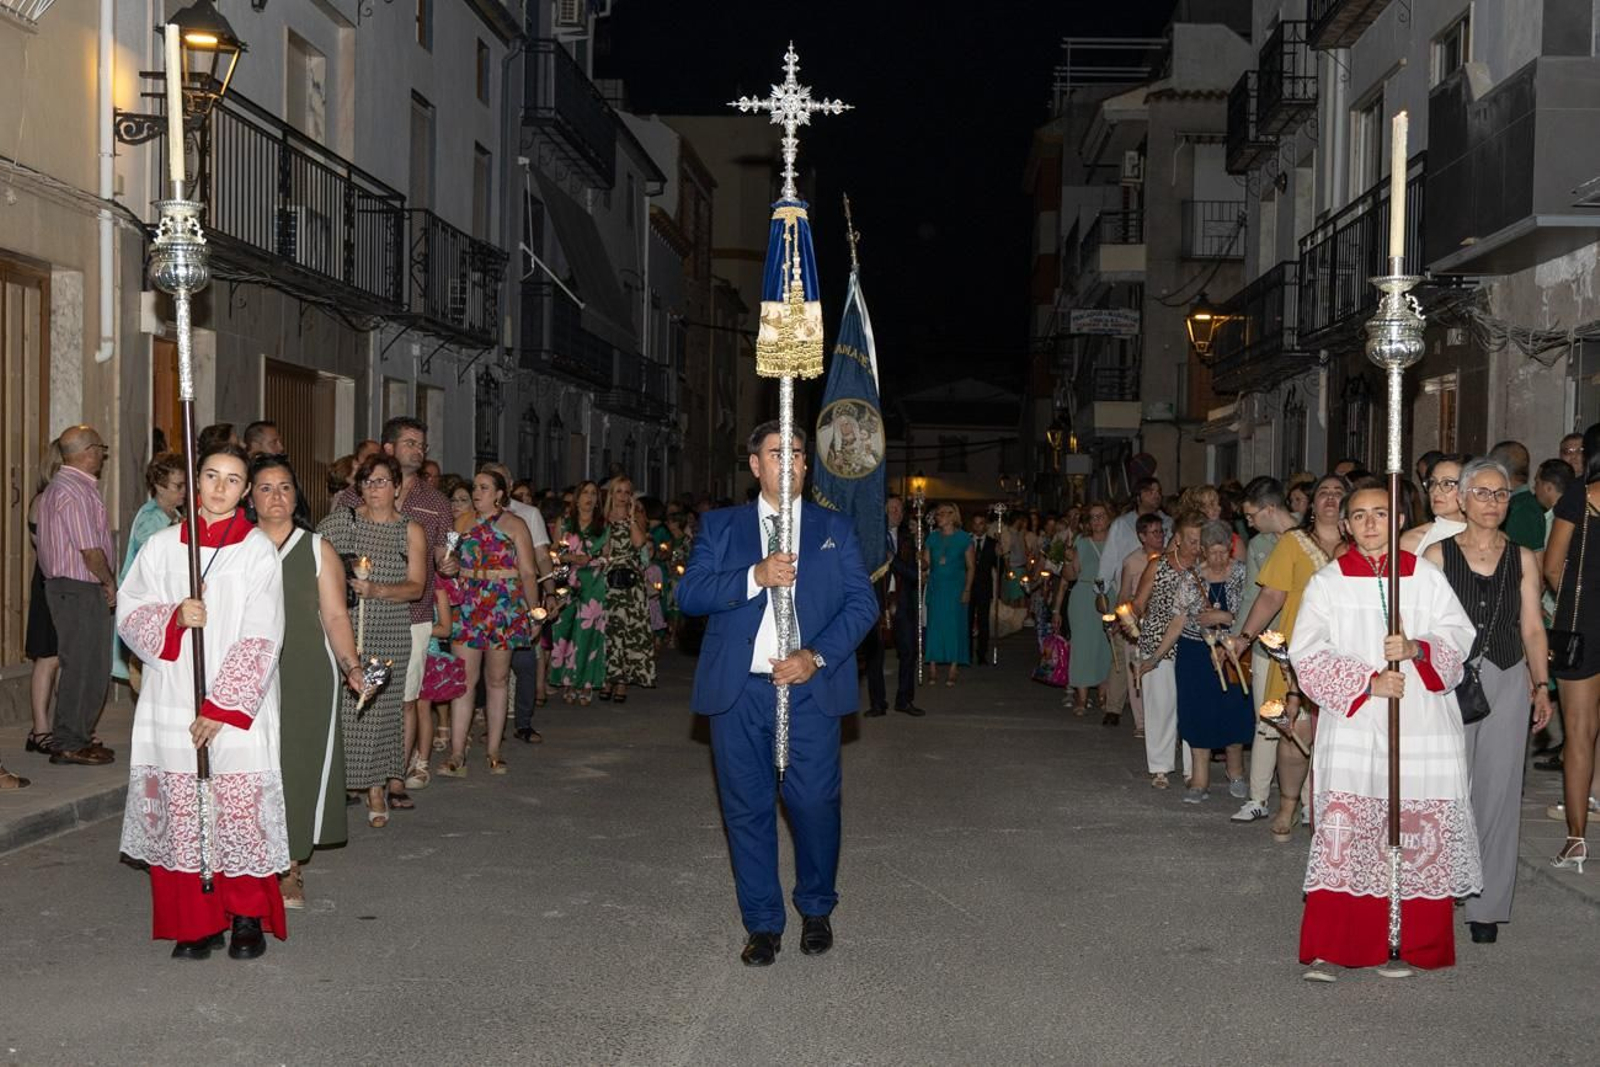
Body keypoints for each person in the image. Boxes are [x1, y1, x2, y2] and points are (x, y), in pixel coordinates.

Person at [676, 421, 878, 966]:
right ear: (755, 466)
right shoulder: (722, 527)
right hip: (739, 689)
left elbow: (863, 605)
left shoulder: (834, 528)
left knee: (813, 803)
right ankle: (763, 923)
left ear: (806, 465)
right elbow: (690, 594)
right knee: (747, 810)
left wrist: (814, 657)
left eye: (795, 452)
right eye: (775, 452)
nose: (786, 461)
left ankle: (816, 906)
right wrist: (755, 575)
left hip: (809, 688)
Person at [1290, 484, 1480, 975]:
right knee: (1351, 829)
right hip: (1357, 721)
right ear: (1347, 525)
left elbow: (1458, 636)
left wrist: (1418, 649)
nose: (1371, 523)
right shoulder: (1328, 582)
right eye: (1360, 515)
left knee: (1415, 830)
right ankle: (1342, 944)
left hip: (1420, 722)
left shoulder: (1426, 577)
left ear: (1397, 520)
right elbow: (1307, 651)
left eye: (1381, 513)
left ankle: (1412, 942)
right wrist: (1368, 682)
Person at [116, 442, 288, 960]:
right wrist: (172, 617)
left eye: (233, 480)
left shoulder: (256, 549)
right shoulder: (163, 546)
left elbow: (263, 632)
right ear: (195, 482)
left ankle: (245, 919)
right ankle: (196, 922)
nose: (219, 488)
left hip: (238, 706)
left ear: (245, 492)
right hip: (172, 695)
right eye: (211, 476)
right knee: (184, 807)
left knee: (234, 810)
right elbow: (129, 608)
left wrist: (219, 707)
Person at [1423, 458, 1553, 943]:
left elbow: (1533, 627)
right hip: (1446, 681)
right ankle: (1435, 890)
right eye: (1482, 493)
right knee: (1443, 789)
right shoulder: (1436, 556)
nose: (1492, 503)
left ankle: (1486, 907)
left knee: (1498, 793)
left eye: (1500, 494)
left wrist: (1542, 685)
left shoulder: (1523, 556)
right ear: (1461, 498)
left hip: (1504, 675)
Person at [250, 453, 362, 909]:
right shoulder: (234, 547)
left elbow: (335, 615)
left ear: (296, 494)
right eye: (265, 488)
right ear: (249, 496)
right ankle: (249, 859)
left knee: (294, 766)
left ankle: (290, 867)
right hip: (249, 671)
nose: (277, 496)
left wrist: (351, 665)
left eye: (285, 487)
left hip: (305, 672)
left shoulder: (317, 548)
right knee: (252, 768)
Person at [336, 419, 460, 790]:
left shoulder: (435, 502)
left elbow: (442, 556)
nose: (418, 449)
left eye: (422, 444)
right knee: (357, 695)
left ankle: (395, 779)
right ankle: (355, 776)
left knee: (404, 699)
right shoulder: (355, 497)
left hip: (414, 613)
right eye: (409, 442)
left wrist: (450, 564)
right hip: (362, 615)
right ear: (388, 449)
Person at [1228, 474, 1351, 841]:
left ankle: (1327, 808)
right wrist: (1244, 638)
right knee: (1293, 730)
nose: (1330, 498)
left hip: (1348, 653)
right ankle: (1287, 805)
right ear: (1310, 504)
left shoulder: (1363, 543)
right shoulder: (1293, 542)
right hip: (1299, 653)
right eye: (1323, 493)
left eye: (1338, 493)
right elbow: (1270, 597)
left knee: (1341, 736)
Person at [316, 454, 426, 824]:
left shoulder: (410, 530)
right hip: (346, 628)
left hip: (390, 630)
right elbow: (313, 562)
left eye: (381, 481)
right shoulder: (340, 523)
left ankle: (376, 786)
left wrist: (375, 589)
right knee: (344, 709)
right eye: (367, 481)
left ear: (397, 486)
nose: (374, 489)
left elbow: (416, 587)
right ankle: (339, 784)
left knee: (380, 710)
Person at [1138, 519, 1253, 804]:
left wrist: (1225, 617)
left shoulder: (1242, 573)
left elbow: (1253, 612)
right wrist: (1155, 657)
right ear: (1202, 551)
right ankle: (1199, 780)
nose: (1217, 558)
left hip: (1231, 652)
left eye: (1222, 552)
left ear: (1230, 548)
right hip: (1195, 653)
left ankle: (1236, 772)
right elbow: (1178, 621)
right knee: (1196, 713)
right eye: (1211, 552)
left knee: (1233, 709)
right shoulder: (1192, 577)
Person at [439, 468, 538, 776]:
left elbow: (527, 572)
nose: (477, 492)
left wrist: (534, 612)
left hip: (503, 606)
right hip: (469, 604)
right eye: (475, 487)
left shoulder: (515, 525)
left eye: (484, 487)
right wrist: (449, 566)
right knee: (464, 682)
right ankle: (457, 753)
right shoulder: (461, 523)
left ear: (498, 493)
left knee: (496, 680)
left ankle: (494, 750)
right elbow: (447, 562)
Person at [35, 425, 117, 766]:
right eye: (100, 448)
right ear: (87, 452)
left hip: (73, 588)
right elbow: (90, 550)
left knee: (88, 664)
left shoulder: (65, 486)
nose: (103, 455)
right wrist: (109, 582)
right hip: (79, 587)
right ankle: (69, 741)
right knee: (83, 666)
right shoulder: (74, 491)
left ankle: (78, 737)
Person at [1543, 422, 1600, 874]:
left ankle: (1576, 840)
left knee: (1579, 732)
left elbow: (1552, 566)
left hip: (1582, 625)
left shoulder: (1578, 496)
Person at [1231, 477, 1298, 823]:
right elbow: (1254, 596)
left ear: (1270, 508)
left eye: (1252, 514)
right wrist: (1241, 636)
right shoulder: (1258, 545)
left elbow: (1274, 595)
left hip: (1302, 645)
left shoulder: (1308, 537)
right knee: (1268, 720)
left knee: (1304, 724)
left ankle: (1305, 800)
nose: (1249, 522)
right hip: (1267, 646)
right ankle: (1258, 797)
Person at [1131, 510, 1205, 789]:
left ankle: (1192, 767)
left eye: (1200, 541)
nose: (1196, 547)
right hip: (1156, 637)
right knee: (1160, 704)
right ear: (1178, 539)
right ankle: (1160, 767)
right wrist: (1128, 615)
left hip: (1192, 641)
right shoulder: (1157, 565)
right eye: (1192, 540)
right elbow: (1140, 601)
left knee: (1190, 704)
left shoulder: (1203, 569)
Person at [113, 453, 186, 683]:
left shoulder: (173, 513)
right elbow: (158, 557)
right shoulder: (150, 517)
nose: (184, 490)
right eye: (178, 486)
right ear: (159, 486)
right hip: (145, 596)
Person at [549, 481, 609, 706]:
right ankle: (565, 680)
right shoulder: (564, 523)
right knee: (563, 630)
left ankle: (584, 682)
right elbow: (554, 551)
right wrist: (570, 558)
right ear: (577, 497)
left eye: (594, 494)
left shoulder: (603, 526)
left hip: (593, 583)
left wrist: (592, 560)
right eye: (585, 493)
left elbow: (607, 556)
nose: (589, 498)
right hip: (567, 580)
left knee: (587, 634)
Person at [862, 495, 923, 717]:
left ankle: (905, 700)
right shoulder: (870, 539)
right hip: (876, 603)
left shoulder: (909, 539)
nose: (895, 513)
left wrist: (892, 560)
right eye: (891, 509)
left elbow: (914, 574)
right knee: (875, 654)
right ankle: (877, 703)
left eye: (899, 509)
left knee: (908, 653)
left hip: (903, 603)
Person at [598, 475, 656, 702]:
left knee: (627, 631)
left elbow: (639, 542)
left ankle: (622, 683)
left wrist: (632, 518)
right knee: (609, 630)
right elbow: (601, 547)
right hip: (608, 578)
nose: (622, 496)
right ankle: (606, 678)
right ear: (612, 494)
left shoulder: (637, 515)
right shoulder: (603, 518)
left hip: (631, 581)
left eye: (626, 492)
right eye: (618, 491)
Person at [1109, 513, 1165, 736]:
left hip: (1161, 618)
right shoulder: (1132, 561)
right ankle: (1141, 722)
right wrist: (1121, 619)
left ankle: (1160, 718)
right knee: (1136, 669)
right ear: (1142, 536)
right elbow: (1124, 594)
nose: (1159, 536)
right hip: (1137, 618)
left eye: (1161, 531)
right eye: (1154, 532)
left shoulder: (1169, 558)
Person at [25, 440, 64, 757]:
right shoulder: (44, 499)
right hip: (49, 580)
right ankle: (40, 729)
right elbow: (47, 548)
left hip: (62, 581)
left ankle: (53, 726)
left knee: (60, 657)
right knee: (47, 655)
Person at [1057, 502, 1112, 713]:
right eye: (1093, 517)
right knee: (1082, 646)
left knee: (1105, 645)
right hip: (1084, 596)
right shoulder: (1081, 541)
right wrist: (1068, 560)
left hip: (1109, 596)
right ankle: (1081, 697)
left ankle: (1104, 694)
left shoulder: (1117, 542)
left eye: (1101, 516)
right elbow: (1070, 576)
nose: (1097, 520)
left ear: (1109, 518)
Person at [922, 502, 973, 687]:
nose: (939, 517)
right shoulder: (932, 538)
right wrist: (921, 561)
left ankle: (953, 666)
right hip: (937, 586)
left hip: (955, 587)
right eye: (938, 514)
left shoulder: (964, 538)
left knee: (954, 625)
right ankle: (933, 666)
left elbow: (971, 567)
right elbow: (926, 564)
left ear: (953, 516)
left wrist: (967, 589)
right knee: (935, 625)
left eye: (943, 514)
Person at [1098, 477, 1170, 605]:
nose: (1156, 495)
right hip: (1130, 593)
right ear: (1138, 496)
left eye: (1158, 492)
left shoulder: (1168, 523)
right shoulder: (1121, 524)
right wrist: (1101, 591)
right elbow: (1109, 558)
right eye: (1150, 492)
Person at [1399, 454, 1467, 556]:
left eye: (1447, 483)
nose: (1435, 491)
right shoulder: (1411, 541)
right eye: (1433, 483)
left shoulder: (1487, 539)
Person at [968, 511, 999, 666]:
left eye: (981, 523)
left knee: (983, 621)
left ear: (985, 526)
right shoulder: (966, 541)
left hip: (984, 586)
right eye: (975, 523)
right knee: (967, 620)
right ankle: (966, 652)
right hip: (968, 585)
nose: (978, 527)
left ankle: (982, 653)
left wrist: (1000, 556)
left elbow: (999, 568)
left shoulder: (993, 543)